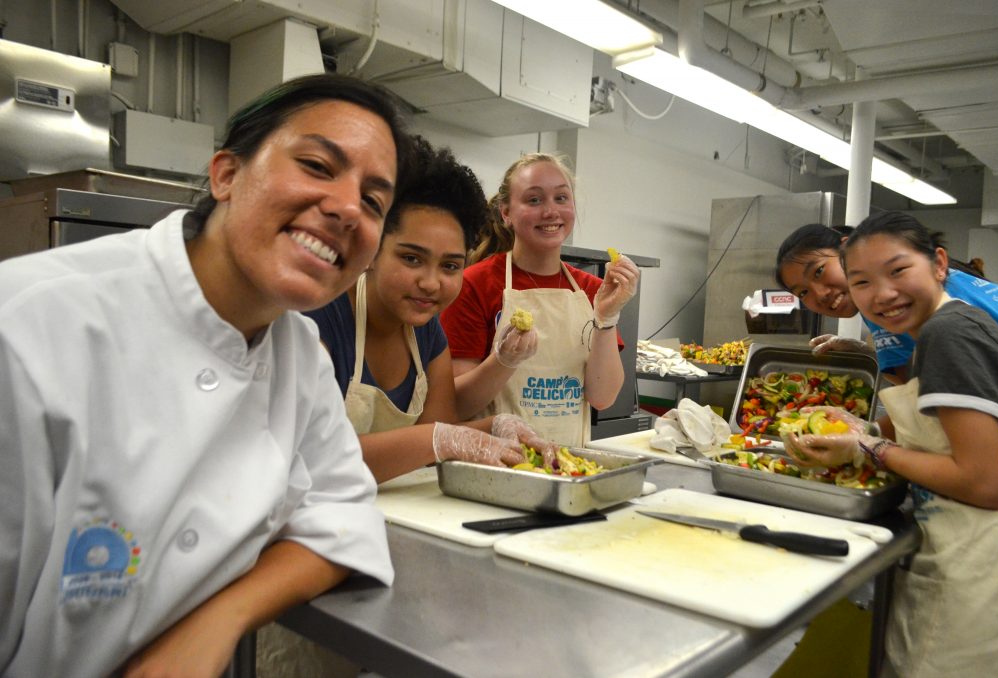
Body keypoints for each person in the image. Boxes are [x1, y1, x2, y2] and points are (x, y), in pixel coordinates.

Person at [0, 74, 409, 678]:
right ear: (226, 175)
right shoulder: (30, 326)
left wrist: (217, 621)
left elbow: (344, 514)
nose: (349, 207)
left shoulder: (299, 352)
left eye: (374, 201)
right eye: (319, 165)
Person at [785, 211, 998, 676]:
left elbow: (984, 482)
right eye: (862, 283)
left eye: (897, 271)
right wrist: (865, 433)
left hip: (989, 560)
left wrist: (868, 448)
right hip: (972, 550)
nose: (883, 294)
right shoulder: (946, 327)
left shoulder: (947, 333)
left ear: (938, 264)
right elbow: (946, 435)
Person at [304, 136, 549, 483]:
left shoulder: (427, 333)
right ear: (371, 248)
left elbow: (440, 431)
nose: (431, 283)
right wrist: (444, 439)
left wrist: (495, 426)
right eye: (411, 259)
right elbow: (314, 459)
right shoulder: (317, 317)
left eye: (450, 266)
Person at [441, 153, 639, 447]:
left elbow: (602, 397)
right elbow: (457, 405)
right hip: (495, 466)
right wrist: (503, 360)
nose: (551, 211)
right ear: (506, 212)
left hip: (568, 465)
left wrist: (606, 320)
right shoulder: (474, 284)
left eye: (561, 198)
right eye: (534, 200)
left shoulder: (593, 291)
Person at [775, 219, 998, 383]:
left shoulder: (891, 302)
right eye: (803, 293)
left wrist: (871, 442)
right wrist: (866, 350)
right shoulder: (952, 280)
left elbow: (920, 390)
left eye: (819, 271)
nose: (819, 294)